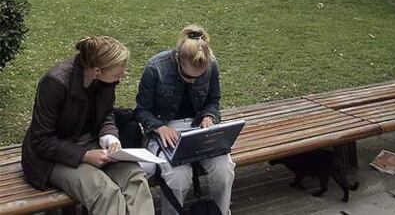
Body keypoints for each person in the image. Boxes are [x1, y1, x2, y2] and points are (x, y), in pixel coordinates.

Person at [22, 36, 154, 215]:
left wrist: (110, 136)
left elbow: (107, 113)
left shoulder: (106, 80)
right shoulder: (55, 82)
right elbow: (41, 140)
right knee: (104, 191)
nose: (122, 76)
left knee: (135, 177)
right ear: (97, 70)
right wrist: (84, 155)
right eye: (118, 73)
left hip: (91, 144)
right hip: (50, 156)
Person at [135, 25, 235, 215]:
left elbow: (213, 101)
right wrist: (159, 127)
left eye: (199, 76)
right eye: (187, 76)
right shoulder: (155, 67)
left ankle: (221, 212)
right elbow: (141, 110)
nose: (192, 81)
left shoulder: (211, 64)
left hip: (199, 129)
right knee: (177, 177)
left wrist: (209, 116)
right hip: (164, 130)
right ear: (178, 59)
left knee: (224, 168)